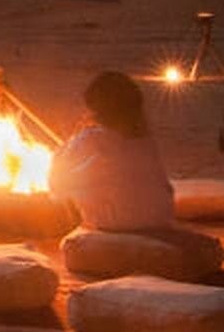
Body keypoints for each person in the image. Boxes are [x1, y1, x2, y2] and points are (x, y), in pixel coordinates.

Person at [49, 70, 175, 231]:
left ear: (95, 109)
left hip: (117, 222)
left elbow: (56, 181)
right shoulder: (147, 142)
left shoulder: (92, 137)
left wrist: (68, 142)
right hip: (160, 218)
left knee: (68, 188)